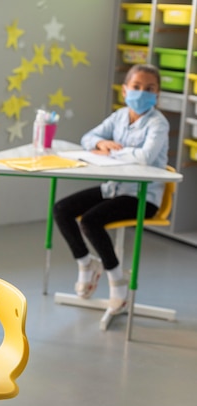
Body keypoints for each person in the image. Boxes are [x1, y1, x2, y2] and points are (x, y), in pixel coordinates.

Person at [53, 63, 169, 315]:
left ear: (157, 94)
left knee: (91, 221)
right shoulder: (119, 116)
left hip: (142, 197)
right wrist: (103, 142)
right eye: (136, 87)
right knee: (61, 209)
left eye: (149, 89)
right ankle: (86, 264)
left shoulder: (158, 123)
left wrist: (114, 151)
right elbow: (87, 139)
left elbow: (146, 157)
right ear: (125, 90)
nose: (142, 92)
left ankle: (117, 282)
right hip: (113, 189)